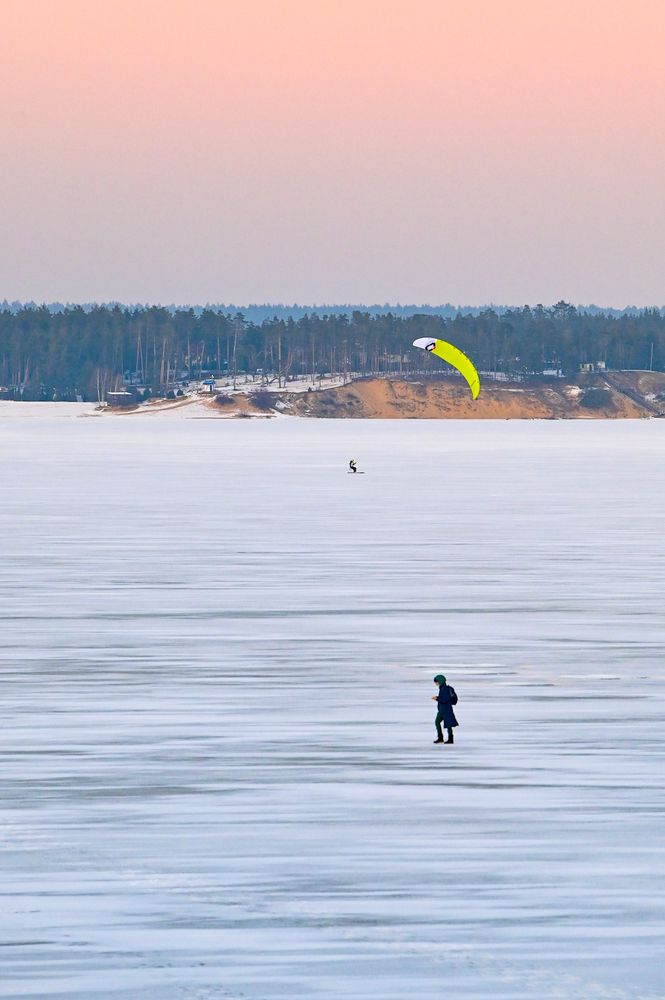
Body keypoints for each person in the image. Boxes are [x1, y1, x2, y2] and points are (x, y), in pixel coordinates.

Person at [432, 674, 458, 744]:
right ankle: (442, 738)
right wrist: (438, 698)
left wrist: (437, 698)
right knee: (441, 722)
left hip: (446, 709)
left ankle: (449, 739)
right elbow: (444, 698)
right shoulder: (442, 688)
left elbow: (445, 700)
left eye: (436, 682)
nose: (435, 683)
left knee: (447, 724)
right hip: (442, 709)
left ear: (440, 681)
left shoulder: (445, 689)